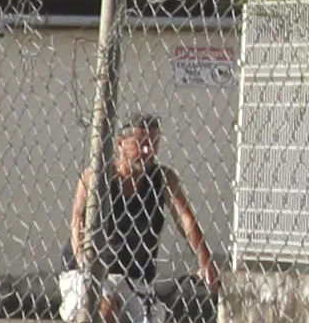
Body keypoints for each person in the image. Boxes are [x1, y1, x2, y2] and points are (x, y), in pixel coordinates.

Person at [80, 112, 220, 307]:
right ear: (120, 143)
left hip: (137, 276)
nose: (148, 150)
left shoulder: (162, 178)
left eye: (154, 143)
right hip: (97, 271)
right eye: (140, 143)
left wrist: (204, 258)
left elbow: (185, 218)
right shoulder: (96, 177)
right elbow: (77, 222)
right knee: (106, 313)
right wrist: (85, 267)